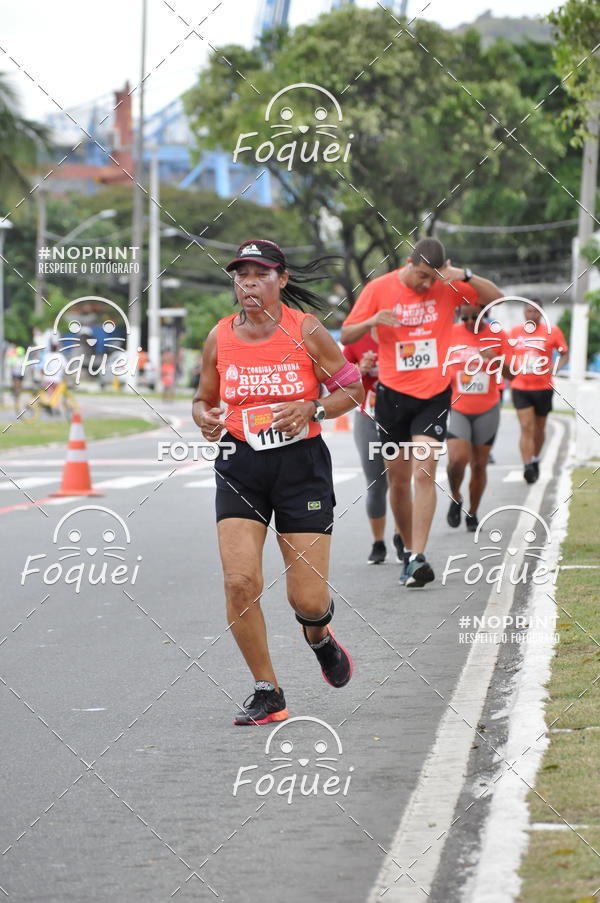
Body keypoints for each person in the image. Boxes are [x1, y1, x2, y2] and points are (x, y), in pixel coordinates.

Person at [192, 238, 364, 726]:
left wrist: (314, 407)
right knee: (239, 581)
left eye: (261, 273)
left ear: (281, 280)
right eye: (241, 274)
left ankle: (319, 635)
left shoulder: (306, 331)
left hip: (301, 467)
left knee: (306, 599)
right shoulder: (218, 336)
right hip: (239, 463)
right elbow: (202, 399)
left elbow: (353, 387)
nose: (249, 282)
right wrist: (205, 418)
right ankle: (268, 691)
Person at [341, 237, 502, 587]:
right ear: (408, 263)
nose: (426, 284)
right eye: (421, 275)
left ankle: (417, 556)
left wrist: (465, 275)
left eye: (433, 277)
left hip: (434, 394)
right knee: (397, 481)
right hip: (392, 396)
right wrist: (372, 320)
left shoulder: (449, 286)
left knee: (424, 471)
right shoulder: (378, 288)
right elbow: (346, 331)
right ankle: (406, 544)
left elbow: (497, 299)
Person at [444, 304, 510, 531]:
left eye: (475, 317)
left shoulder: (498, 335)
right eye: (465, 318)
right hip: (459, 407)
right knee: (455, 460)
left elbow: (513, 373)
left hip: (487, 409)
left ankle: (472, 512)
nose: (470, 322)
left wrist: (496, 360)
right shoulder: (450, 333)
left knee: (479, 465)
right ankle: (455, 497)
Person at [342, 333, 402, 564]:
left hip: (399, 416)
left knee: (400, 481)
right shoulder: (356, 338)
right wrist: (359, 369)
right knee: (376, 482)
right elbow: (337, 379)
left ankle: (400, 538)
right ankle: (378, 543)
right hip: (369, 415)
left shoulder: (403, 334)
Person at [509, 299, 568, 483]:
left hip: (543, 388)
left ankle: (534, 458)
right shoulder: (515, 332)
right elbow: (507, 355)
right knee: (526, 427)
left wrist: (556, 367)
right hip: (520, 387)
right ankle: (527, 465)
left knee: (539, 428)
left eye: (536, 311)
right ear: (523, 313)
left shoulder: (553, 331)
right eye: (529, 311)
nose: (532, 315)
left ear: (541, 313)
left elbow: (564, 352)